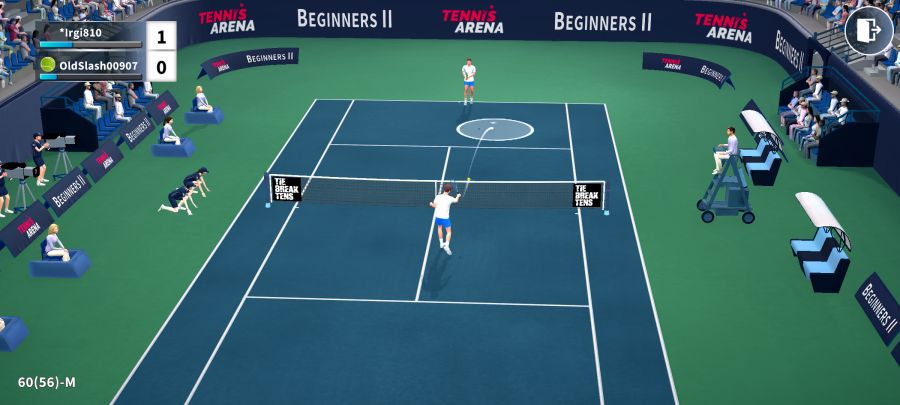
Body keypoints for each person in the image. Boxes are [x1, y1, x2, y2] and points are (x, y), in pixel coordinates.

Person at [429, 183, 461, 255]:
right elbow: (456, 201)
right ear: (449, 191)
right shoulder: (450, 198)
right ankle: (446, 245)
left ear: (444, 189)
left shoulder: (438, 197)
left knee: (439, 228)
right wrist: (458, 196)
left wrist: (431, 204)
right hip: (445, 218)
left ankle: (441, 243)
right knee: (449, 232)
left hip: (438, 217)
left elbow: (434, 206)